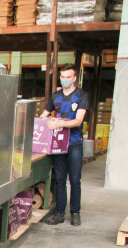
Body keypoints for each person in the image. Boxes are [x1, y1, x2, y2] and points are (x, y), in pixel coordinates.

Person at [41, 64, 88, 226]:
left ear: (74, 78)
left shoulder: (81, 96)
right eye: (63, 77)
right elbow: (43, 116)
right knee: (60, 179)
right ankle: (60, 212)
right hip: (58, 144)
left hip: (74, 142)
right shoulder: (55, 97)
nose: (65, 79)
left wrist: (59, 123)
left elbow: (78, 121)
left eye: (69, 77)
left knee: (75, 180)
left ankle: (75, 212)